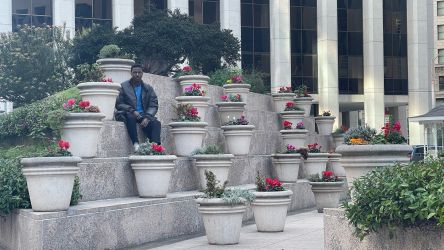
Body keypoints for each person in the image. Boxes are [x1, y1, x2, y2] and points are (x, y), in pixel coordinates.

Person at [115, 64, 161, 151]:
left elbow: (153, 104)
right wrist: (132, 110)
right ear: (131, 73)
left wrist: (147, 117)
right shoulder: (124, 86)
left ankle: (156, 147)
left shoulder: (148, 88)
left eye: (139, 72)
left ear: (142, 73)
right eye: (134, 72)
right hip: (129, 114)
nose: (137, 74)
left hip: (144, 115)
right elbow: (119, 103)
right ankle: (136, 144)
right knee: (130, 116)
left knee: (156, 123)